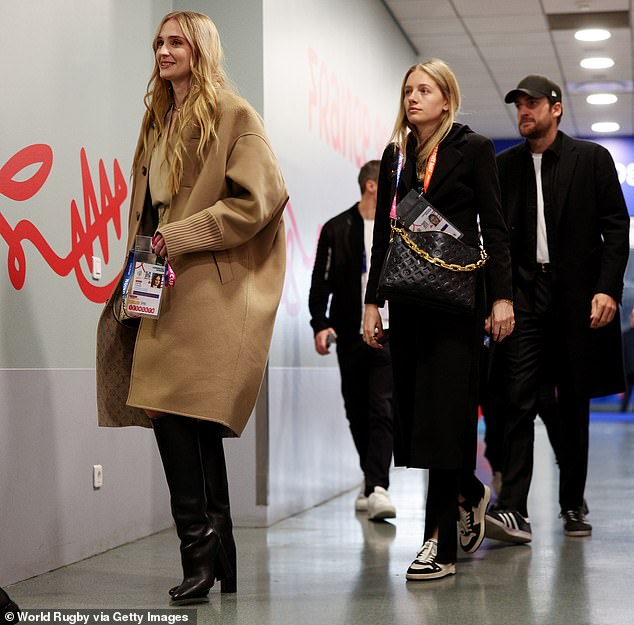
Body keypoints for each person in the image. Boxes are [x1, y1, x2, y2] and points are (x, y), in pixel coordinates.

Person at [95, 11, 287, 603]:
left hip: (206, 286)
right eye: (158, 41)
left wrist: (177, 237)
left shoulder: (234, 114)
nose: (163, 50)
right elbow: (147, 214)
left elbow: (260, 201)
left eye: (176, 41)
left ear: (201, 48)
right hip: (158, 280)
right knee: (185, 420)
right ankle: (219, 553)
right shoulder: (159, 119)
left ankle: (198, 555)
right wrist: (139, 265)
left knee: (178, 414)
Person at [363, 59, 514, 580]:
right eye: (408, 90)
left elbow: (493, 228)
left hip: (457, 304)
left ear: (445, 100)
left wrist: (502, 298)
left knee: (448, 417)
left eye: (424, 90)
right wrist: (370, 303)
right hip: (408, 303)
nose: (413, 98)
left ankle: (439, 545)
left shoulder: (472, 149)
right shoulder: (394, 157)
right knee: (419, 419)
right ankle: (470, 492)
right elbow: (383, 239)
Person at [485, 75, 629, 543]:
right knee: (517, 397)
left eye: (532, 104)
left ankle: (572, 502)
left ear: (556, 108)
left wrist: (608, 289)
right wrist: (499, 296)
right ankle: (513, 508)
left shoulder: (591, 159)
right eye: (518, 106)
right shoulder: (503, 167)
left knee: (573, 402)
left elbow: (615, 229)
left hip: (576, 298)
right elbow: (497, 239)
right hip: (524, 297)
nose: (524, 112)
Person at [309, 160, 396, 521]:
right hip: (349, 333)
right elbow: (320, 281)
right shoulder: (337, 228)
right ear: (372, 186)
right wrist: (320, 323)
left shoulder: (398, 229)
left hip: (389, 333)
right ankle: (370, 476)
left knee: (383, 408)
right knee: (356, 409)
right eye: (387, 184)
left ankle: (378, 487)